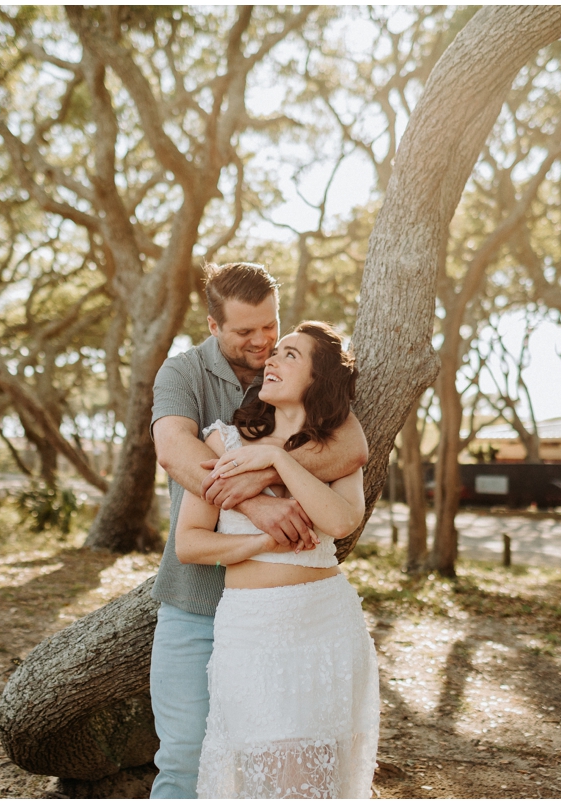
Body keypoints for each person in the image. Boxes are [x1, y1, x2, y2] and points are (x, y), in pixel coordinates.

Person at [149, 263, 368, 799]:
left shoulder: (300, 377)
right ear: (213, 326)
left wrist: (271, 463)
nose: (263, 343)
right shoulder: (184, 376)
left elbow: (351, 452)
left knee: (303, 768)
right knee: (186, 762)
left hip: (310, 611)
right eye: (246, 332)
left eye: (270, 327)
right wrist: (261, 506)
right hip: (200, 604)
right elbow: (175, 451)